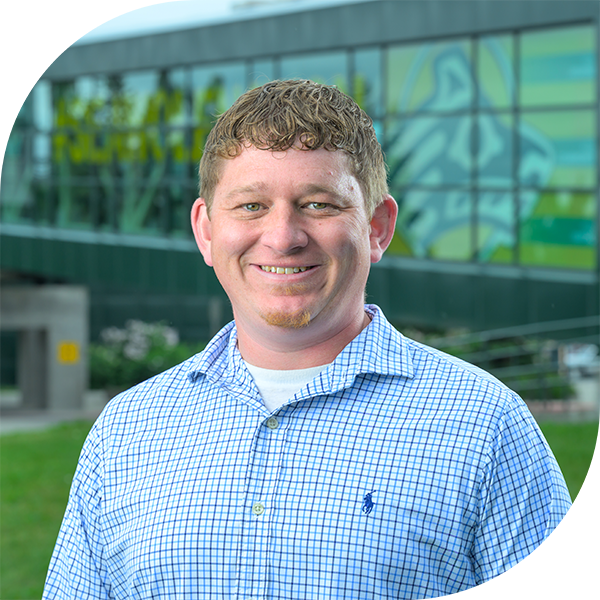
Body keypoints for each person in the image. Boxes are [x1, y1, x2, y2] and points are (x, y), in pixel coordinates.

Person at [43, 80, 591, 599]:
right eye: (252, 205)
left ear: (376, 227)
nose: (282, 237)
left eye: (318, 204)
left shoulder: (492, 426)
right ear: (207, 230)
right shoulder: (125, 432)